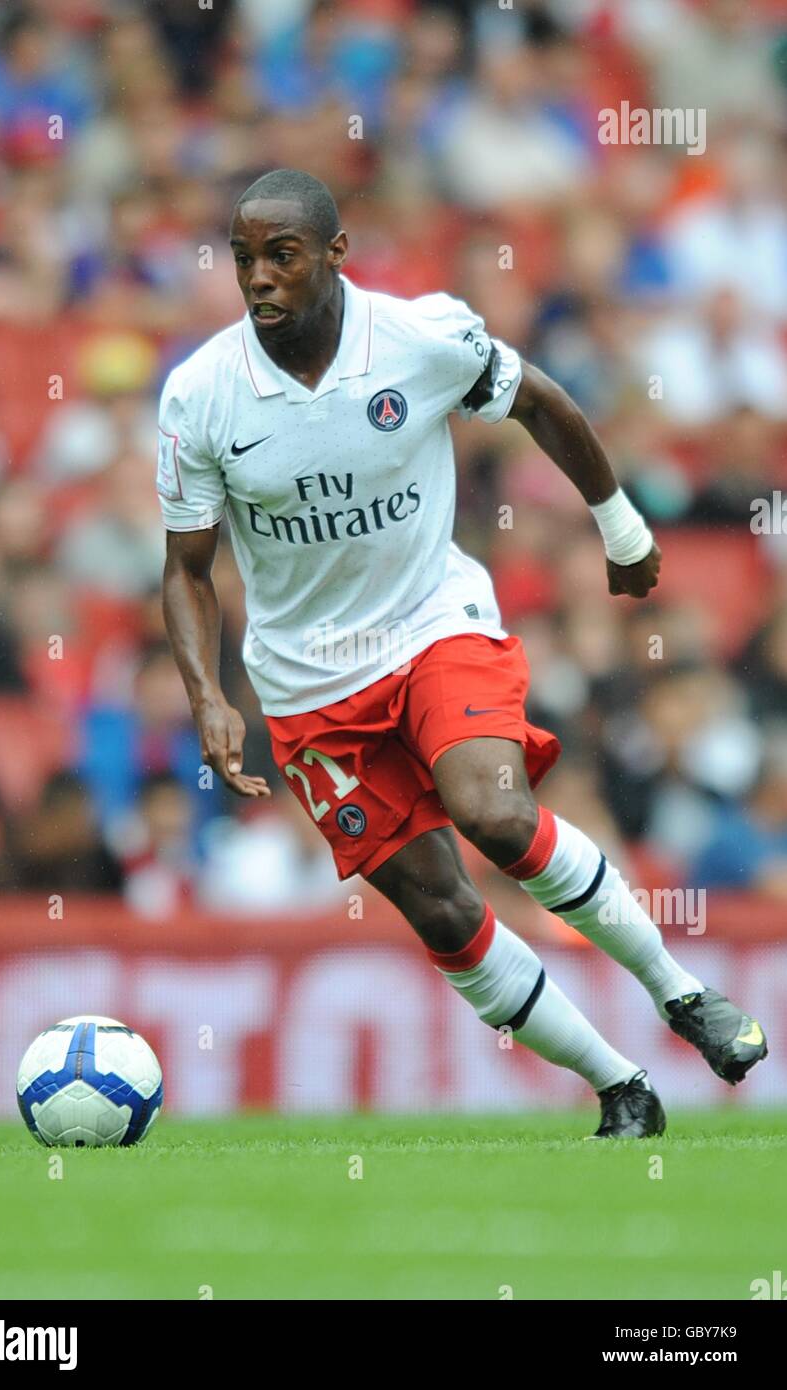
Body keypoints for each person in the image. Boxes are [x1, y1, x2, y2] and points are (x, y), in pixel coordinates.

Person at [159, 169, 767, 1137]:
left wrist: (620, 527)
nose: (260, 279)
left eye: (282, 255)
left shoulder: (422, 338)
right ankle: (620, 1085)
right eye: (243, 260)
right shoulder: (200, 398)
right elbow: (187, 568)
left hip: (433, 622)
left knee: (492, 810)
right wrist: (206, 696)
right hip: (309, 688)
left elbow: (545, 404)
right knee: (442, 909)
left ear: (335, 254)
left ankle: (684, 994)